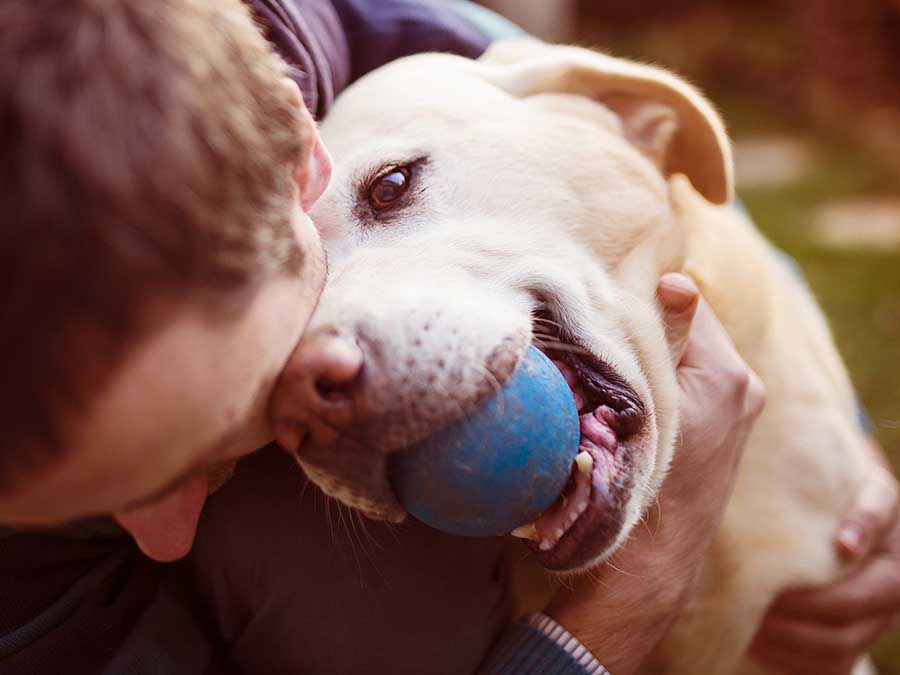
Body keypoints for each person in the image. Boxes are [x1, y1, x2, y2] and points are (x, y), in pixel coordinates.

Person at [0, 1, 895, 673]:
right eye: (281, 416)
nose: (167, 533)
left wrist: (837, 457)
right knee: (353, 599)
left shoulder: (421, 49)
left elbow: (645, 165)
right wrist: (606, 623)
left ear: (291, 147)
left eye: (390, 191)